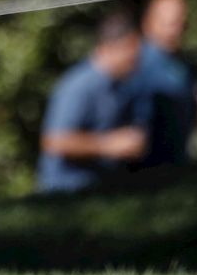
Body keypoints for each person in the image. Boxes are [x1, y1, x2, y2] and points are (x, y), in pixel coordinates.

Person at [38, 10, 149, 192]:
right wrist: (108, 145)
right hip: (67, 193)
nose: (136, 59)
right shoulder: (79, 86)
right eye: (131, 52)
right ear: (108, 49)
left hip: (101, 189)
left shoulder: (124, 84)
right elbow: (54, 141)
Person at [133, 0, 197, 169]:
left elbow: (186, 118)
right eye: (168, 23)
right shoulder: (136, 64)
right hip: (142, 171)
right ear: (147, 23)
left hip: (175, 167)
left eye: (180, 22)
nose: (176, 30)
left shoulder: (182, 66)